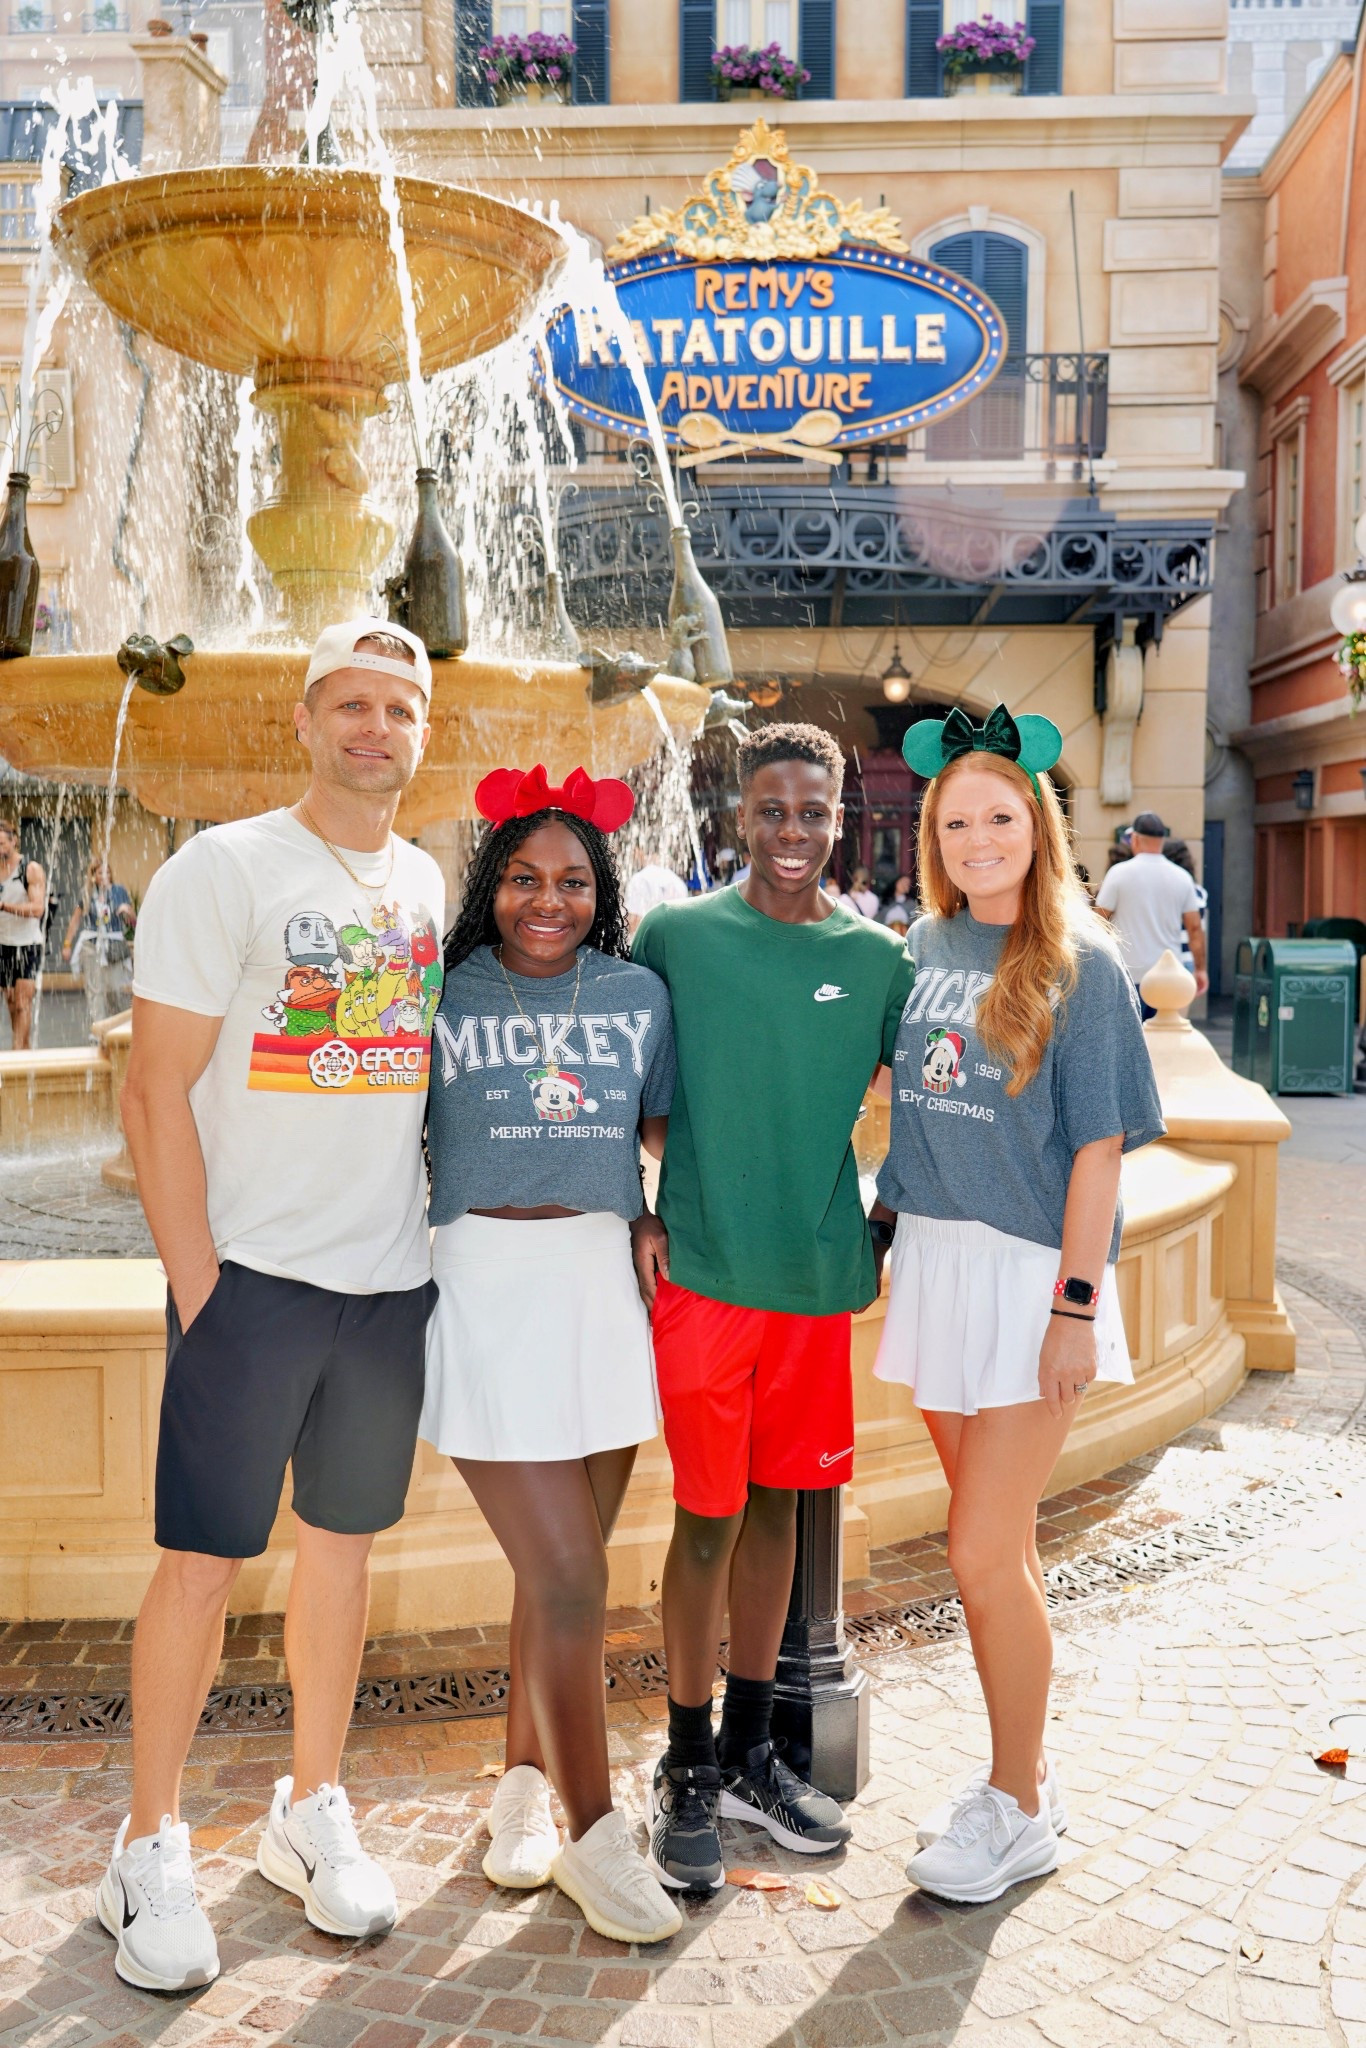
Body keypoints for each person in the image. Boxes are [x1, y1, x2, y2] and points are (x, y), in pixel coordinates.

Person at [101, 619, 445, 1993]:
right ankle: (148, 1843)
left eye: (399, 709)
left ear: (422, 732)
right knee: (200, 1561)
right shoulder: (225, 866)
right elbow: (150, 1090)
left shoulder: (420, 878)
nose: (375, 729)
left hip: (384, 1285)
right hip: (253, 1286)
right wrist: (204, 1290)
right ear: (303, 722)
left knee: (343, 1553)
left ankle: (307, 1812)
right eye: (350, 705)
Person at [870, 704, 1164, 1907]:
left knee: (978, 1547)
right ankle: (1020, 1774)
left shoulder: (1080, 964)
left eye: (999, 817)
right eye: (956, 821)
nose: (977, 836)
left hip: (1031, 1277)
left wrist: (1075, 1307)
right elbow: (906, 1096)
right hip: (935, 1263)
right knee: (1000, 1553)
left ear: (1037, 827)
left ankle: (1020, 1807)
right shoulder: (924, 945)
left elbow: (1099, 1149)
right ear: (931, 836)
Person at [631, 723, 914, 1894]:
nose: (790, 831)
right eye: (770, 810)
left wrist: (888, 1216)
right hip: (700, 1279)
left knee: (780, 1519)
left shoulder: (879, 959)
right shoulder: (677, 937)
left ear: (839, 819)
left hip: (810, 1291)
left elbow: (933, 1104)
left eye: (812, 812)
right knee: (705, 1518)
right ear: (738, 817)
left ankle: (751, 1749)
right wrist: (634, 1206)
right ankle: (685, 1761)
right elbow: (617, 1088)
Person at [421, 762, 682, 1946]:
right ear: (492, 882)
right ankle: (594, 1830)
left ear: (599, 889)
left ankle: (521, 1781)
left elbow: (665, 1132)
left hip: (598, 1291)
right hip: (481, 1285)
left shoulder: (637, 993)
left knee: (553, 1574)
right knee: (574, 1577)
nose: (547, 898)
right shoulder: (441, 991)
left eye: (572, 880)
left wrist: (655, 1214)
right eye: (523, 876)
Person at [1095, 810, 1207, 1008]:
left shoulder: (1118, 874)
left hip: (1128, 972)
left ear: (1135, 839)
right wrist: (1200, 969)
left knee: (1130, 1037)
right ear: (1162, 840)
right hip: (1168, 975)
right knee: (1163, 1036)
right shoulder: (1182, 877)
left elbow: (1098, 922)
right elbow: (1195, 929)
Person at [64, 855, 135, 1029]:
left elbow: (133, 921)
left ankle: (118, 1026)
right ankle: (99, 1028)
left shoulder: (119, 891)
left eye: (107, 872)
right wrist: (67, 944)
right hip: (91, 945)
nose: (104, 876)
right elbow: (75, 920)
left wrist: (127, 911)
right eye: (100, 873)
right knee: (95, 990)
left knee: (114, 989)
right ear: (93, 876)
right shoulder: (88, 894)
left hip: (114, 946)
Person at [0, 818, 46, 1051]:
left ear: (14, 841)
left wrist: (5, 907)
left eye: (2, 844)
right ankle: (22, 1049)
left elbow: (38, 908)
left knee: (22, 1004)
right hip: (3, 945)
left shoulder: (30, 868)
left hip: (28, 945)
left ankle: (18, 1055)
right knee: (10, 1003)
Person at [1164, 838, 1209, 982]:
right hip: (1188, 959)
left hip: (1165, 958)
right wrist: (1201, 967)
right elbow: (1197, 930)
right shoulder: (1199, 892)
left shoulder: (1164, 891)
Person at [624, 846, 688, 934]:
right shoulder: (678, 882)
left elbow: (634, 921)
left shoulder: (639, 879)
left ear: (640, 850)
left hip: (650, 941)